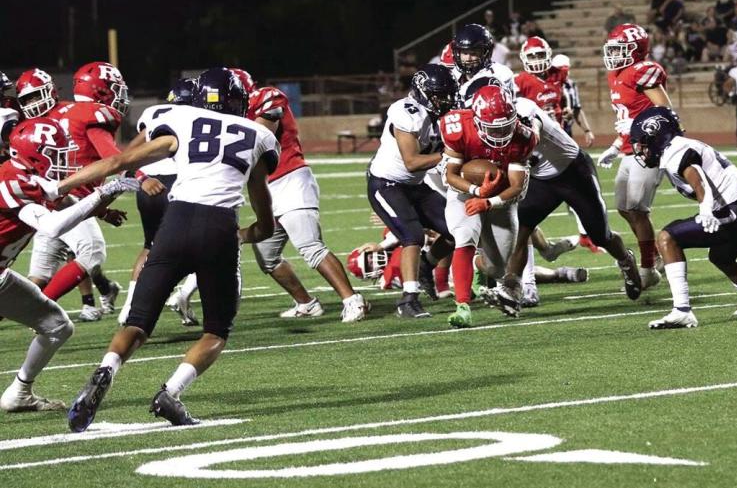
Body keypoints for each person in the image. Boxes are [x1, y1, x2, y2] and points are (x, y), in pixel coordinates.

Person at [65, 67, 279, 432]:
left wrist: (60, 187)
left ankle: (106, 369)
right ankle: (171, 392)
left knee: (138, 322)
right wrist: (244, 234)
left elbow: (119, 162)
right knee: (216, 330)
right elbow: (266, 221)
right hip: (219, 227)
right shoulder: (257, 134)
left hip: (175, 223)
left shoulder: (182, 119)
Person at [0, 120, 138, 412]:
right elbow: (51, 226)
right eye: (55, 152)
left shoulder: (27, 175)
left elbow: (60, 196)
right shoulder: (11, 178)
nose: (63, 158)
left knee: (57, 326)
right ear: (35, 154)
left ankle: (19, 393)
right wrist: (102, 194)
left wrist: (102, 204)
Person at [240, 70, 369, 321]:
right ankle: (307, 303)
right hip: (265, 189)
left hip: (291, 178)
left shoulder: (267, 96)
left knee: (311, 247)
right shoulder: (233, 113)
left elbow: (257, 138)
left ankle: (353, 301)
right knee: (267, 257)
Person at [630, 108, 737, 329]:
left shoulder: (675, 151)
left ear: (658, 137)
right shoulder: (678, 148)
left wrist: (706, 210)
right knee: (721, 257)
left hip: (733, 212)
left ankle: (682, 310)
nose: (641, 152)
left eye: (644, 144)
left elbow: (699, 182)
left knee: (667, 238)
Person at [504, 91, 643, 312]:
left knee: (600, 236)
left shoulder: (523, 109)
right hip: (541, 180)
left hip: (573, 174)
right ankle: (511, 290)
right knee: (520, 230)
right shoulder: (484, 122)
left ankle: (626, 261)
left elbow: (533, 137)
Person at [16, 64, 133, 321]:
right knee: (48, 273)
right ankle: (39, 311)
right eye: (28, 99)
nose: (34, 103)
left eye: (37, 95)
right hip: (50, 202)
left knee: (45, 276)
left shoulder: (79, 113)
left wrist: (101, 211)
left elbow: (78, 167)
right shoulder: (28, 129)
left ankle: (56, 307)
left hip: (65, 200)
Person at [440, 84, 537, 328]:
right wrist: (475, 191)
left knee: (498, 268)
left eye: (506, 126)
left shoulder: (523, 136)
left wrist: (488, 201)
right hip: (466, 190)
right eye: (495, 127)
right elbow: (451, 175)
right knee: (464, 236)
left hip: (501, 197)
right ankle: (463, 306)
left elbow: (516, 186)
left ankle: (477, 266)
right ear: (477, 119)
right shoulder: (458, 126)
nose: (501, 132)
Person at [366, 64, 458, 318]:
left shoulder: (445, 112)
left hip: (415, 186)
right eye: (439, 94)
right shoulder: (406, 112)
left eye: (447, 94)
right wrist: (448, 154)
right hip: (387, 184)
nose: (445, 100)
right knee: (413, 236)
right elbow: (412, 161)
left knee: (457, 229)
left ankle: (426, 266)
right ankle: (407, 300)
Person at [117, 78, 197, 326]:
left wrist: (142, 177)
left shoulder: (154, 113)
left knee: (150, 246)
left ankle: (129, 307)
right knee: (207, 245)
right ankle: (182, 296)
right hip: (178, 184)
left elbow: (130, 151)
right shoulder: (201, 115)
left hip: (149, 185)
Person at [597, 23, 669, 293]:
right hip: (629, 149)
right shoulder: (615, 74)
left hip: (648, 149)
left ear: (636, 50)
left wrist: (643, 128)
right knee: (624, 208)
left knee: (638, 209)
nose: (614, 54)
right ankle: (656, 255)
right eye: (613, 49)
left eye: (620, 49)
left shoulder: (642, 71)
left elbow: (664, 108)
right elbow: (625, 117)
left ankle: (649, 269)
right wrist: (616, 145)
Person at [514, 37, 564, 122]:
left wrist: (566, 110)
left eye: (540, 55)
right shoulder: (519, 80)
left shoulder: (557, 74)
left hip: (559, 125)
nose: (537, 61)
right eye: (532, 57)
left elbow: (565, 100)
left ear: (548, 54)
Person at [550, 53, 593, 146]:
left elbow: (577, 109)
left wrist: (587, 130)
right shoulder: (548, 85)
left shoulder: (571, 85)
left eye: (566, 68)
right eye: (561, 68)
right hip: (551, 131)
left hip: (567, 130)